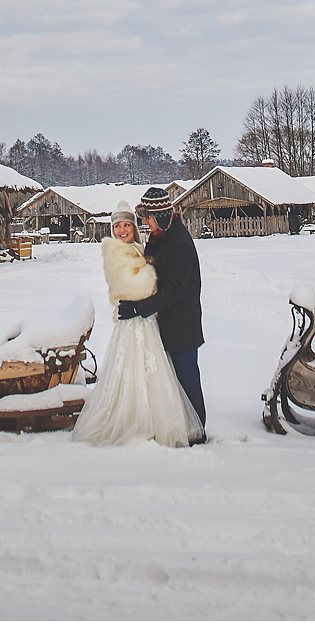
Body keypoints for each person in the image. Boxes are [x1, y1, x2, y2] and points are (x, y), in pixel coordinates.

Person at [71, 202, 202, 448]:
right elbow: (137, 287)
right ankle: (133, 421)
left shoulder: (140, 247)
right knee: (133, 372)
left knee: (154, 375)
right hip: (134, 323)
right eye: (117, 226)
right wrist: (154, 275)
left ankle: (157, 419)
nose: (121, 231)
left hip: (148, 320)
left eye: (126, 225)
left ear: (134, 227)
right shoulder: (116, 251)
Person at [117, 186, 206, 440]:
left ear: (163, 216)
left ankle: (198, 430)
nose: (145, 223)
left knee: (187, 379)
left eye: (149, 218)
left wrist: (139, 307)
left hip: (182, 324)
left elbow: (175, 289)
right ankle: (183, 426)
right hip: (166, 322)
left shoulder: (178, 242)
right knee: (173, 383)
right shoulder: (161, 237)